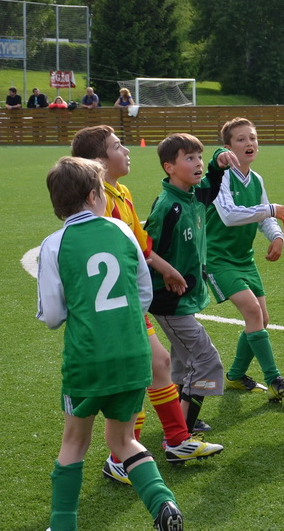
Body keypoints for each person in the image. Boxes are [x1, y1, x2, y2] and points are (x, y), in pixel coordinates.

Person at [36, 156, 183, 531]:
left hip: (87, 358)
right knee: (123, 439)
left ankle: (63, 524)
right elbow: (143, 292)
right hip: (133, 352)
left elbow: (52, 315)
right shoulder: (121, 230)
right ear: (92, 196)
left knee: (74, 442)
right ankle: (163, 503)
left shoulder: (53, 245)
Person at [71, 125, 223, 484]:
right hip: (115, 304)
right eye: (117, 146)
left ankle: (177, 440)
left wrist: (165, 268)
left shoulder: (121, 192)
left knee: (159, 364)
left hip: (130, 300)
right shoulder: (97, 202)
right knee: (141, 374)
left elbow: (142, 245)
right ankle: (120, 458)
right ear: (98, 161)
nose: (126, 151)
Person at [144, 133, 239, 435]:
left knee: (184, 362)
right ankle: (182, 432)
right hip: (170, 300)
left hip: (186, 297)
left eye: (199, 156)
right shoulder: (167, 207)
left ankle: (179, 420)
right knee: (205, 359)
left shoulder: (195, 195)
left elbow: (214, 179)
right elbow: (146, 251)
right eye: (189, 158)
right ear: (169, 167)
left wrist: (219, 159)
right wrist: (167, 273)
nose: (198, 163)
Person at [205, 118, 284, 401]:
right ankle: (274, 380)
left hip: (244, 259)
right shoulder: (221, 177)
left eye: (253, 138)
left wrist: (277, 236)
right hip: (217, 257)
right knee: (253, 312)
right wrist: (271, 209)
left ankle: (235, 376)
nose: (249, 143)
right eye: (241, 139)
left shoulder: (256, 179)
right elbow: (229, 215)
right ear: (228, 147)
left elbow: (265, 218)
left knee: (262, 318)